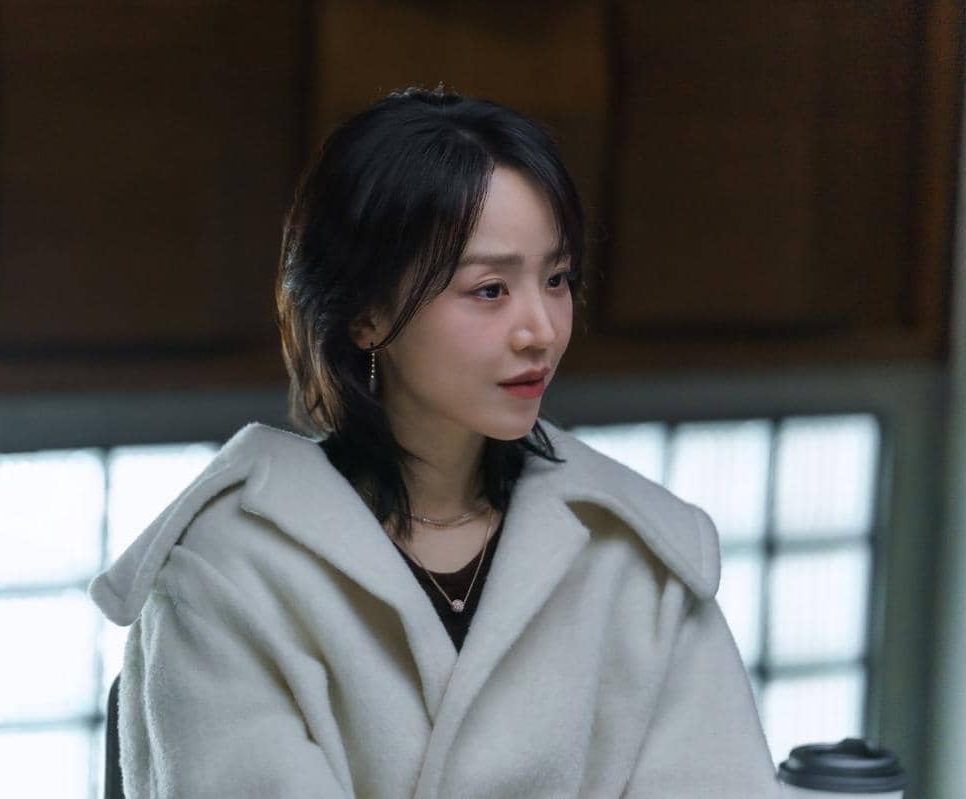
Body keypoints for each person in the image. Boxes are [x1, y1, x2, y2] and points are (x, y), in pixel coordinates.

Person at [90, 86, 781, 797]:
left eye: (557, 279)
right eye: (490, 289)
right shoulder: (229, 570)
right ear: (365, 313)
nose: (541, 329)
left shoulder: (637, 555)